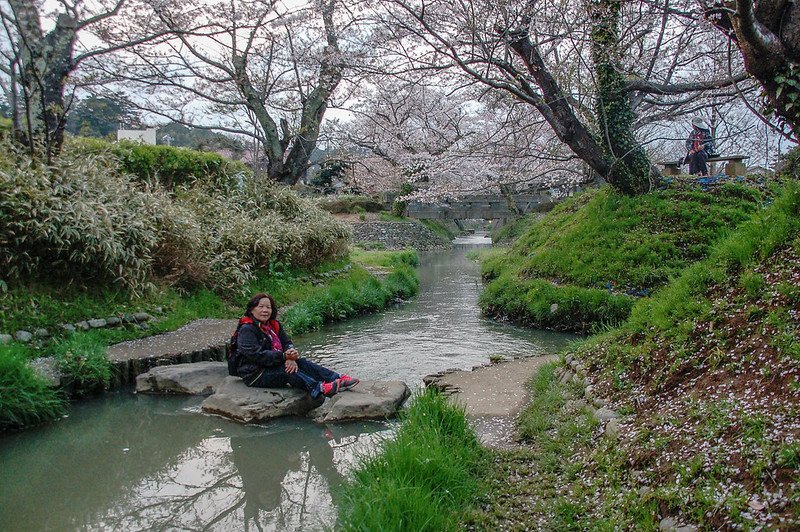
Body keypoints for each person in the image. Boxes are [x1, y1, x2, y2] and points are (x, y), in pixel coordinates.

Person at [232, 293, 359, 399]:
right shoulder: (247, 329)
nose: (265, 310)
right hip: (255, 374)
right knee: (288, 371)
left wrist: (290, 355)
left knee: (301, 363)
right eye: (261, 307)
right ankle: (320, 388)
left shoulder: (273, 325)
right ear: (252, 309)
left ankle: (337, 379)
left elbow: (286, 342)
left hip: (272, 364)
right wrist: (283, 357)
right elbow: (255, 354)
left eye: (268, 307)